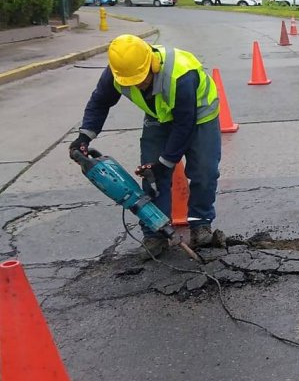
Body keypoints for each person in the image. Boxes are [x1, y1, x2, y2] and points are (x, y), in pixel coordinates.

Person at [69, 34, 222, 258]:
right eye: (130, 82)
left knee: (205, 172)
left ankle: (200, 224)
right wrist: (84, 137)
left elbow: (184, 124)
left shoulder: (181, 74)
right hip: (159, 116)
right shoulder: (117, 73)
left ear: (153, 64)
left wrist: (165, 162)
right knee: (152, 177)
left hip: (199, 115)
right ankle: (155, 234)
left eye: (141, 79)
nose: (137, 85)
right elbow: (100, 102)